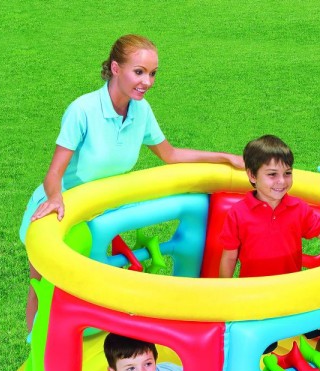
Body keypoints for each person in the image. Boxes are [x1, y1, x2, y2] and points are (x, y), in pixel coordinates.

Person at [20, 34, 244, 332]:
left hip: (101, 213)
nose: (147, 82)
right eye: (139, 72)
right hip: (58, 210)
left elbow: (170, 154)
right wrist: (54, 198)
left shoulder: (141, 111)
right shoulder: (83, 110)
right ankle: (35, 349)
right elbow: (53, 174)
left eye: (152, 73)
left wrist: (225, 158)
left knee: (93, 291)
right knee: (44, 289)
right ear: (115, 68)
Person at [218, 134, 320, 371]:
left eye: (287, 173)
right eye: (272, 174)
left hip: (293, 294)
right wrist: (225, 295)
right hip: (257, 298)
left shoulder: (297, 207)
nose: (281, 181)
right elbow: (229, 256)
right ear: (252, 176)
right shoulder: (238, 214)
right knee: (250, 350)